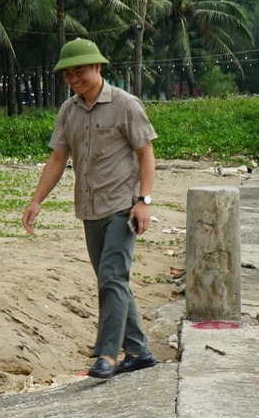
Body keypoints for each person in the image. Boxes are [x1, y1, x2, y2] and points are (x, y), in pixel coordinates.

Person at [22, 38, 160, 379]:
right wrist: (37, 200)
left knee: (112, 278)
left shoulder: (125, 105)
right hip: (88, 208)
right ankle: (139, 350)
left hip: (122, 208)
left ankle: (108, 356)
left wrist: (144, 202)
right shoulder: (69, 111)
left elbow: (146, 154)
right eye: (68, 74)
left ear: (98, 67)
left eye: (80, 71)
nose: (74, 79)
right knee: (111, 279)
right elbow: (58, 158)